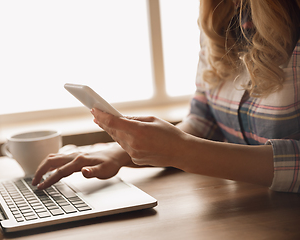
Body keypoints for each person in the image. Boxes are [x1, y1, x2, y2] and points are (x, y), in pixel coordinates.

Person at [32, 0, 300, 193]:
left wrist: (182, 151)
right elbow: (203, 122)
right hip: (248, 210)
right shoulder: (220, 15)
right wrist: (118, 153)